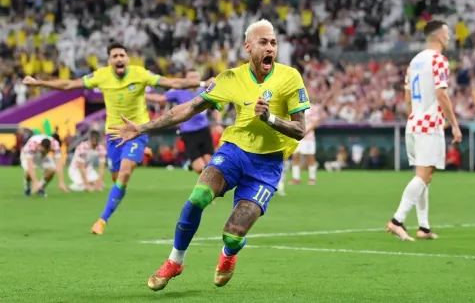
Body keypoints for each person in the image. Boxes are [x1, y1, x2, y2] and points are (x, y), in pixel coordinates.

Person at [109, 19, 309, 290]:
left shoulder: (290, 77)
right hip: (235, 151)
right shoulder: (230, 78)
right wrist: (141, 128)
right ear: (248, 47)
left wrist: (270, 118)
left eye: (273, 42)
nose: (270, 47)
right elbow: (188, 108)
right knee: (199, 195)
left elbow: (300, 129)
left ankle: (229, 254)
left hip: (267, 165)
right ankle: (175, 261)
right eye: (263, 42)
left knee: (232, 235)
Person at [23, 43, 211, 235]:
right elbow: (69, 84)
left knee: (125, 173)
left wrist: (203, 84)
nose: (119, 58)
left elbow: (174, 83)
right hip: (113, 134)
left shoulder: (140, 74)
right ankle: (138, 156)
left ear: (127, 59)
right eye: (115, 56)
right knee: (116, 177)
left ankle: (101, 220)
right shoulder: (101, 76)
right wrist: (39, 84)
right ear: (110, 61)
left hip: (137, 131)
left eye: (122, 55)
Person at [386, 20, 462, 241]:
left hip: (414, 123)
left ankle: (424, 227)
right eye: (447, 33)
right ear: (439, 36)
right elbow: (442, 94)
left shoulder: (415, 61)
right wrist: (455, 125)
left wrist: (415, 116)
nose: (449, 37)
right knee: (424, 175)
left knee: (423, 177)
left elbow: (408, 97)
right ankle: (397, 220)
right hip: (429, 125)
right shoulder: (439, 60)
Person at [146, 69, 223, 174]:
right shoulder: (178, 92)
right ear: (186, 80)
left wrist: (218, 123)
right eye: (191, 77)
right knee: (200, 168)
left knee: (210, 166)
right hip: (189, 134)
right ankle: (192, 164)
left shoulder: (205, 91)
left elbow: (215, 109)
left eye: (196, 77)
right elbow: (161, 98)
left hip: (204, 131)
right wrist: (143, 95)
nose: (194, 80)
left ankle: (208, 187)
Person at [288, 96, 323, 186]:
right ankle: (296, 178)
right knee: (296, 156)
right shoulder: (296, 107)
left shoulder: (313, 108)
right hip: (297, 136)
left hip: (308, 137)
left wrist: (305, 132)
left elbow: (315, 123)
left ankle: (312, 178)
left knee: (310, 157)